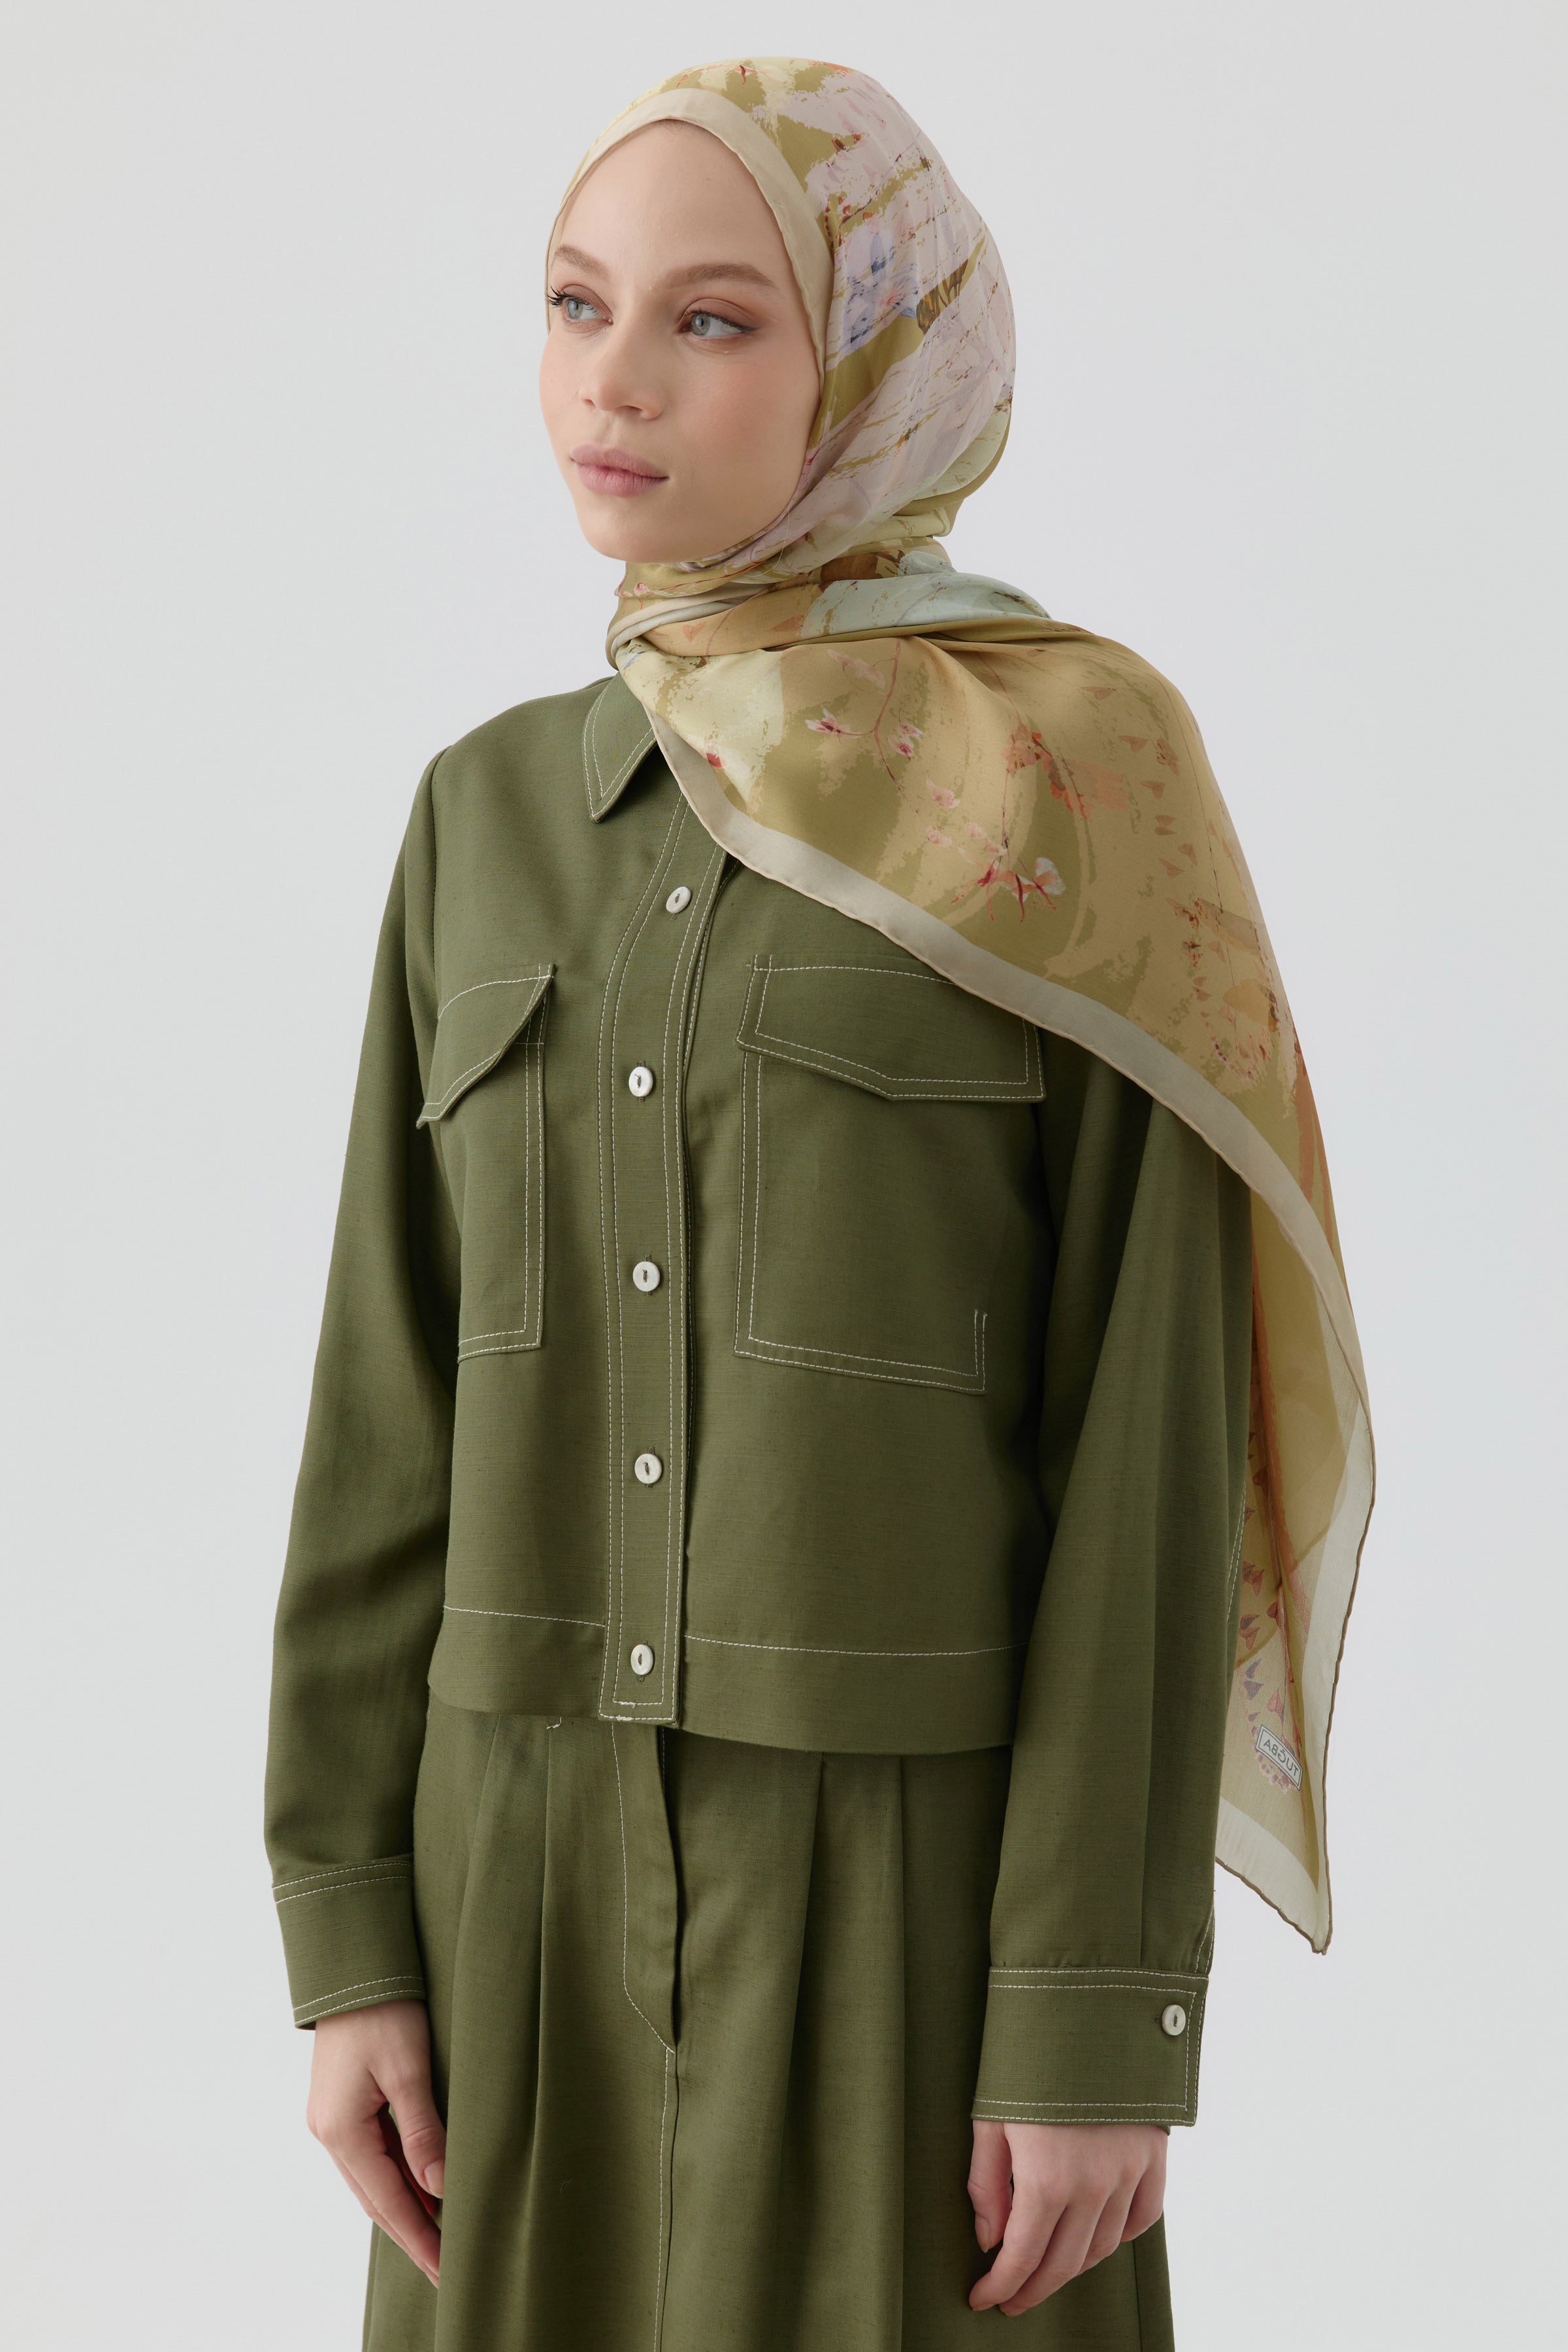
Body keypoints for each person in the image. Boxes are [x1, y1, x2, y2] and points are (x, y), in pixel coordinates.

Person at [265, 57, 1372, 2351]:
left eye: (714, 318)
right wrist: (351, 1933)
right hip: (516, 1904)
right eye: (576, 303)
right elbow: (385, 1414)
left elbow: (1150, 1437)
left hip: (920, 1915)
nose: (615, 380)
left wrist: (1093, 2005)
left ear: (878, 353)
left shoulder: (1068, 787)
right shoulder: (483, 819)